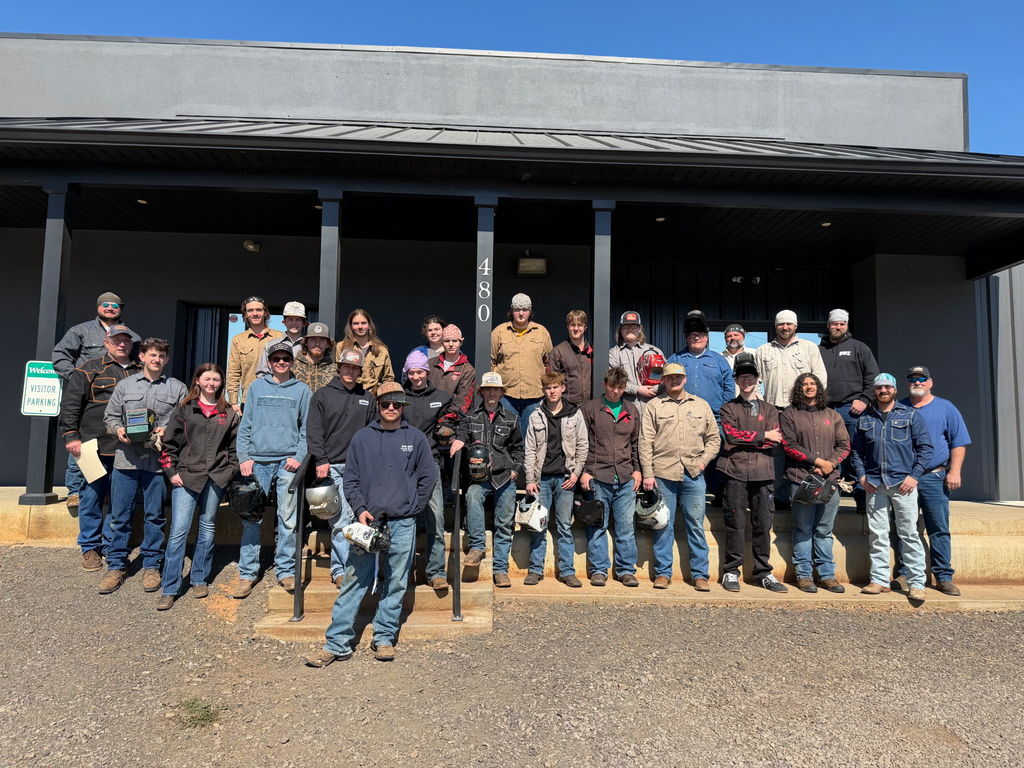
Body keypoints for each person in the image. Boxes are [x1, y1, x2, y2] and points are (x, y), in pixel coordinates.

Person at [304, 382, 437, 666]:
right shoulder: (362, 438)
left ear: (403, 406)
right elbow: (351, 479)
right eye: (386, 403)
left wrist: (414, 507)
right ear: (378, 405)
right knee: (354, 579)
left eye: (397, 404)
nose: (391, 408)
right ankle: (336, 643)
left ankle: (384, 637)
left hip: (403, 521)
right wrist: (360, 509)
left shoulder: (415, 438)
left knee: (397, 581)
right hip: (367, 522)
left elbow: (428, 475)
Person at [99, 338, 187, 595]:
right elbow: (110, 416)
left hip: (157, 464)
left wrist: (167, 430)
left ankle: (151, 565)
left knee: (155, 516)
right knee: (119, 516)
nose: (156, 359)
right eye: (152, 355)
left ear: (166, 359)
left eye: (161, 356)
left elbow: (184, 421)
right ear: (142, 357)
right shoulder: (125, 385)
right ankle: (116, 565)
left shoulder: (177, 388)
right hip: (126, 461)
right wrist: (118, 429)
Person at [57, 324, 142, 571]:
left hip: (129, 448)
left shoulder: (140, 371)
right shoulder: (89, 369)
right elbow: (71, 405)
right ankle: (90, 547)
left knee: (121, 500)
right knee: (91, 497)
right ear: (106, 343)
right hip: (94, 446)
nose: (122, 344)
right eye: (117, 340)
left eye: (126, 340)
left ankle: (112, 544)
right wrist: (71, 437)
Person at [156, 363, 240, 611]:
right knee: (179, 531)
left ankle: (199, 578)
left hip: (215, 477)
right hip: (187, 477)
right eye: (207, 379)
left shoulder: (228, 413)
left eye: (216, 379)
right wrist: (171, 472)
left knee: (207, 528)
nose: (211, 383)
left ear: (221, 383)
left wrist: (229, 471)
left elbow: (234, 448)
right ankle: (170, 588)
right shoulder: (184, 409)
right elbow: (169, 444)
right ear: (198, 381)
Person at [234, 341, 311, 598]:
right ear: (269, 362)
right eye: (276, 359)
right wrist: (244, 457)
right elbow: (246, 424)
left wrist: (299, 456)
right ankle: (247, 573)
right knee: (251, 519)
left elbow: (307, 429)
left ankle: (285, 570)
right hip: (257, 462)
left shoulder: (302, 390)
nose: (281, 362)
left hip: (287, 462)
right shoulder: (256, 388)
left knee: (287, 519)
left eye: (285, 359)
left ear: (291, 362)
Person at [53, 291, 141, 510]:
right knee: (82, 442)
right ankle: (75, 491)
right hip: (89, 394)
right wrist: (78, 378)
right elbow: (60, 355)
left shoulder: (132, 336)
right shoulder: (80, 331)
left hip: (118, 397)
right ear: (98, 307)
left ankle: (112, 492)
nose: (110, 308)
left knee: (115, 448)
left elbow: (137, 363)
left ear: (121, 309)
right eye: (105, 304)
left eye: (115, 305)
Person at [851, 373, 933, 602]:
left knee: (909, 534)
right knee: (877, 535)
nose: (883, 391)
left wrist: (914, 476)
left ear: (895, 390)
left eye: (888, 387)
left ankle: (916, 583)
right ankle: (879, 580)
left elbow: (925, 448)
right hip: (874, 484)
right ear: (874, 391)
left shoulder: (910, 415)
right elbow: (856, 452)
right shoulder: (865, 418)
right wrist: (861, 476)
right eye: (879, 387)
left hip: (903, 484)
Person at [638, 362, 720, 590]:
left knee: (695, 524)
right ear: (663, 380)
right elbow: (645, 442)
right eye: (669, 377)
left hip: (693, 474)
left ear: (685, 379)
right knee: (663, 524)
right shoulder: (654, 406)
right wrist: (648, 473)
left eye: (678, 377)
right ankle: (663, 573)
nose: (674, 381)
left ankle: (700, 575)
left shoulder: (701, 405)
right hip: (663, 473)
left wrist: (703, 461)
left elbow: (714, 438)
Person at [895, 365, 971, 596]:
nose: (917, 383)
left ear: (930, 382)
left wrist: (954, 471)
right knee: (905, 527)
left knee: (938, 528)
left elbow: (958, 442)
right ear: (908, 383)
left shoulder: (946, 408)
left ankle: (943, 576)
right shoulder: (899, 407)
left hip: (934, 477)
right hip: (905, 479)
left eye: (922, 379)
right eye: (913, 379)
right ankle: (906, 573)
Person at [306, 348, 376, 589]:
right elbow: (314, 430)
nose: (350, 371)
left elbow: (373, 432)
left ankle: (358, 568)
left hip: (361, 468)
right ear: (339, 368)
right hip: (332, 466)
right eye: (346, 366)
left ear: (360, 371)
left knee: (359, 517)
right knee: (340, 520)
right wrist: (320, 459)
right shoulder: (322, 395)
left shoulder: (368, 397)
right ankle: (341, 570)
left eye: (355, 368)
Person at [718, 353, 787, 593]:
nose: (746, 381)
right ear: (736, 380)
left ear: (757, 379)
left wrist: (747, 438)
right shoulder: (728, 408)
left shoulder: (770, 410)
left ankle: (763, 572)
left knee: (763, 524)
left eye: (750, 377)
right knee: (734, 522)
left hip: (763, 471)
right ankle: (731, 570)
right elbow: (730, 435)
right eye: (742, 377)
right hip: (735, 471)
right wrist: (762, 435)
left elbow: (775, 439)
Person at [450, 372, 524, 588]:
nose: (492, 393)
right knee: (472, 496)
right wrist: (458, 441)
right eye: (488, 389)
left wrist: (515, 471)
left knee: (504, 524)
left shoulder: (511, 418)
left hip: (504, 476)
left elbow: (519, 448)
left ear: (501, 392)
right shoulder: (471, 417)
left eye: (496, 389)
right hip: (478, 476)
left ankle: (500, 570)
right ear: (481, 392)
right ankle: (477, 547)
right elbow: (462, 435)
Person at [780, 372, 850, 594]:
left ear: (819, 388)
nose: (809, 387)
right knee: (803, 529)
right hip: (801, 479)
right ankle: (804, 575)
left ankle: (827, 575)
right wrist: (818, 462)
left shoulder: (833, 415)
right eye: (804, 384)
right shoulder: (790, 414)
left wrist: (830, 464)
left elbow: (844, 445)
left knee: (824, 530)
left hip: (829, 481)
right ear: (798, 389)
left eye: (813, 384)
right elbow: (789, 445)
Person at [400, 350, 460, 591]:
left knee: (436, 516)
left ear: (427, 372)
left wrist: (460, 438)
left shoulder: (442, 397)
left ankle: (436, 571)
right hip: (402, 464)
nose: (416, 377)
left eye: (420, 372)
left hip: (430, 463)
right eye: (411, 372)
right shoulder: (398, 397)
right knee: (403, 519)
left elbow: (460, 420)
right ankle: (403, 571)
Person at [524, 372, 589, 587]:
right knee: (538, 526)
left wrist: (576, 474)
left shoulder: (574, 414)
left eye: (555, 387)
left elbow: (582, 445)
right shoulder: (535, 415)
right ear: (543, 390)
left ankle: (567, 571)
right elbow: (530, 449)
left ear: (562, 388)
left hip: (565, 479)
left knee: (564, 526)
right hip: (541, 480)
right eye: (548, 388)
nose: (552, 391)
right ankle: (535, 570)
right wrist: (530, 479)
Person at [580, 366, 642, 587]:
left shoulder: (631, 410)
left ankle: (626, 570)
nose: (616, 391)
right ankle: (599, 570)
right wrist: (585, 471)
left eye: (620, 387)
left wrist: (637, 469)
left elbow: (636, 443)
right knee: (598, 525)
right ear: (605, 385)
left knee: (625, 527)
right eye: (612, 386)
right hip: (598, 475)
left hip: (625, 477)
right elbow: (582, 442)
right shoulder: (590, 409)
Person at [818, 308, 879, 512]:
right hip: (825, 409)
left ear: (846, 325)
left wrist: (864, 399)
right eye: (834, 323)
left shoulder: (859, 348)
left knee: (855, 452)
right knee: (828, 453)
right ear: (828, 325)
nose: (838, 327)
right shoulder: (819, 350)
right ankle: (830, 499)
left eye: (842, 324)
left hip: (851, 410)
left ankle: (861, 499)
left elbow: (873, 378)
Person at [490, 293, 552, 433]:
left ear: (530, 312)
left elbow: (549, 363)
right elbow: (491, 361)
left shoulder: (542, 332)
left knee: (531, 436)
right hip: (506, 394)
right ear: (511, 311)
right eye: (517, 309)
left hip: (534, 395)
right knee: (507, 434)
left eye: (525, 309)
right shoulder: (499, 332)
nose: (521, 313)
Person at [754, 310, 828, 409]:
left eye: (789, 324)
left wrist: (812, 403)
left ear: (795, 326)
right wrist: (760, 401)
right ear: (775, 326)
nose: (785, 327)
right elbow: (754, 380)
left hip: (802, 408)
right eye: (781, 324)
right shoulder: (762, 350)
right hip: (772, 409)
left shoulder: (810, 347)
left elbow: (820, 377)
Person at [667, 310, 733, 420]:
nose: (697, 338)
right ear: (686, 338)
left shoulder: (719, 360)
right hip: (680, 418)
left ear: (707, 337)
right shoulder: (675, 359)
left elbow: (729, 388)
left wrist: (724, 410)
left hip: (714, 419)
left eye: (701, 335)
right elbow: (664, 384)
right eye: (693, 334)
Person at [226, 296, 283, 414]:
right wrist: (233, 401)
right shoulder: (238, 340)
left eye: (259, 310)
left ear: (265, 313)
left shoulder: (280, 337)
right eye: (250, 310)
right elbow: (233, 372)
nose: (255, 313)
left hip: (277, 397)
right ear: (245, 315)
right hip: (249, 399)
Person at [608, 310, 664, 412]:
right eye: (626, 326)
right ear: (621, 329)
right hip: (626, 409)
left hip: (653, 407)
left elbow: (666, 377)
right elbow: (613, 380)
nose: (630, 329)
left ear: (640, 329)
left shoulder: (655, 351)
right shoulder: (613, 353)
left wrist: (654, 389)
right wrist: (637, 389)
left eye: (634, 326)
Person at [335, 308, 394, 394]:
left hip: (373, 396)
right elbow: (337, 373)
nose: (360, 327)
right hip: (348, 394)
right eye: (356, 323)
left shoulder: (382, 350)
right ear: (351, 326)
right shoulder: (341, 347)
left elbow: (388, 379)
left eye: (363, 323)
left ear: (369, 325)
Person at [548, 309, 593, 406]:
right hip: (567, 406)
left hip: (589, 406)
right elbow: (552, 382)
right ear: (567, 327)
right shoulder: (557, 352)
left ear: (585, 327)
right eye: (573, 325)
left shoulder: (593, 351)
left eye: (580, 325)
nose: (576, 328)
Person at [428, 324, 476, 415]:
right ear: (442, 343)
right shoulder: (430, 363)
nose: (450, 344)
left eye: (454, 341)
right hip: (427, 414)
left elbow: (463, 401)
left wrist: (447, 417)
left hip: (450, 418)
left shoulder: (468, 370)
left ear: (461, 342)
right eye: (447, 341)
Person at [256, 301, 308, 376]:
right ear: (284, 322)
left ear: (303, 323)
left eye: (298, 320)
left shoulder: (310, 346)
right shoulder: (271, 345)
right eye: (290, 319)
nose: (294, 323)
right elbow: (262, 373)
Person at [292, 322, 335, 394]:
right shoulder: (293, 366)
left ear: (328, 344)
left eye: (322, 340)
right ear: (306, 342)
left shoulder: (335, 370)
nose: (317, 343)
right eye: (313, 339)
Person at [721, 322, 749, 397]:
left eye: (736, 335)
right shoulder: (718, 358)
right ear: (725, 339)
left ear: (743, 337)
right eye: (729, 336)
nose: (733, 338)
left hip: (748, 400)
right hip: (726, 401)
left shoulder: (754, 354)